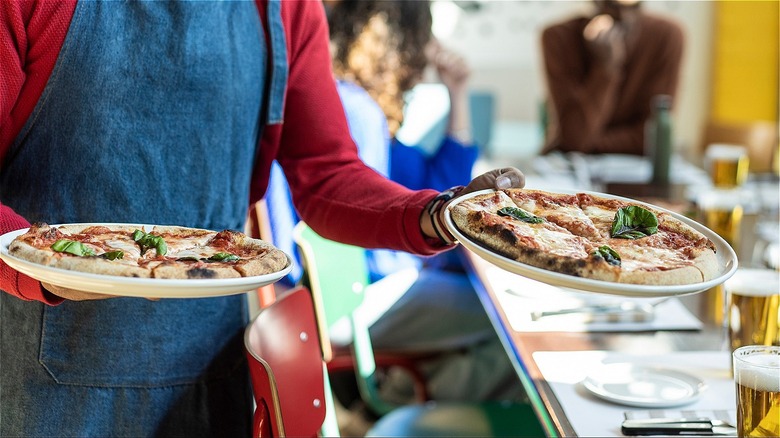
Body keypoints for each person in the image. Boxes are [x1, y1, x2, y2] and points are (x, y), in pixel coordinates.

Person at [0, 1, 525, 436]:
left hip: (210, 360)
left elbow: (327, 175)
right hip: (37, 371)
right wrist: (42, 264)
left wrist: (438, 212)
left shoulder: (287, 8)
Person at [266, 0, 524, 406]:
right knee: (506, 319)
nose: (431, 49)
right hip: (354, 297)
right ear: (402, 40)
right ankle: (400, 403)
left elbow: (433, 181)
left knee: (488, 303)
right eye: (425, 36)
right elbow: (374, 245)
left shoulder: (363, 108)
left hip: (345, 293)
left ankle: (406, 398)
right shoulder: (358, 111)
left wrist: (456, 92)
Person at [540, 0, 684, 155]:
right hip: (566, 172)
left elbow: (652, 137)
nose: (623, 17)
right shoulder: (558, 37)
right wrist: (606, 68)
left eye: (633, 7)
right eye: (612, 7)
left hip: (636, 172)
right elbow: (574, 135)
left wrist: (587, 144)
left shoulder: (666, 36)